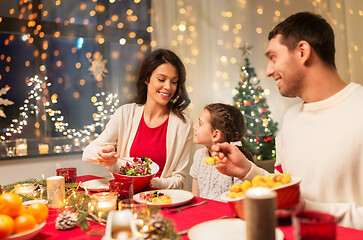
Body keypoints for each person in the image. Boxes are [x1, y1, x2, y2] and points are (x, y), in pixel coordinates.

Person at [212, 12, 363, 229]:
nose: (268, 71)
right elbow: (287, 194)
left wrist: (307, 210)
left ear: (302, 52)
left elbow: (298, 205)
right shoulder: (291, 119)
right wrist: (247, 170)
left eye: (273, 57)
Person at [82, 49, 193, 189]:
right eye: (161, 79)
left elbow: (179, 179)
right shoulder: (125, 114)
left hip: (160, 201)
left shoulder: (183, 126)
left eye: (174, 82)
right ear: (147, 79)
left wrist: (151, 183)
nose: (168, 87)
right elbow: (86, 155)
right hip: (126, 198)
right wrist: (101, 155)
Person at [189, 103, 253, 201]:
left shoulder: (235, 162)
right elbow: (195, 197)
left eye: (200, 123)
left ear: (216, 135)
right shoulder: (199, 155)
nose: (195, 126)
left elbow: (239, 201)